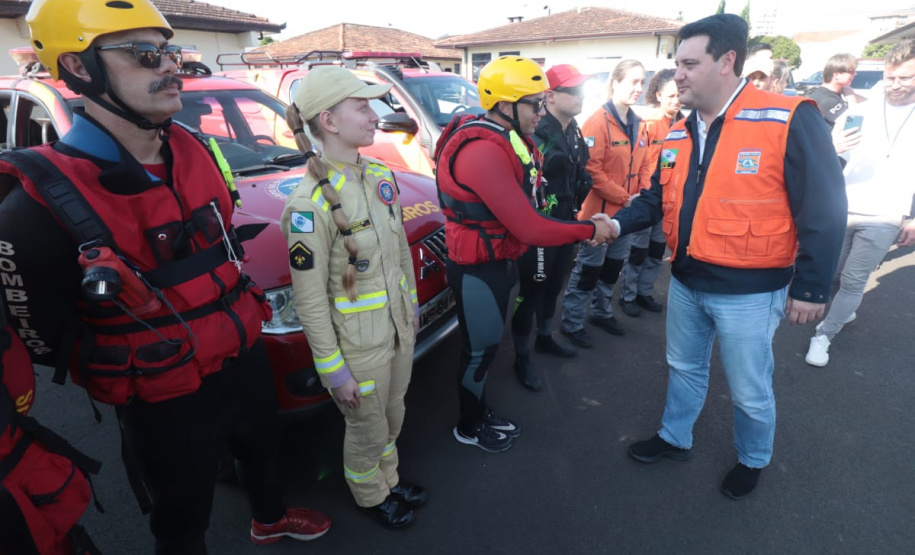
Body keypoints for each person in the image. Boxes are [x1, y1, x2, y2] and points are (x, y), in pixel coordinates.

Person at [0, 0, 330, 551]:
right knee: (181, 509)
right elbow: (41, 333)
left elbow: (223, 231)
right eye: (144, 54)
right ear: (78, 67)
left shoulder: (195, 148)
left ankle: (269, 518)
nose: (170, 66)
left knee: (262, 447)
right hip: (160, 384)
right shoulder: (37, 203)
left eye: (169, 51)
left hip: (241, 349)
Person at [612, 14, 847, 500]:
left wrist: (811, 287)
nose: (677, 75)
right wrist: (613, 225)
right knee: (684, 368)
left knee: (748, 387)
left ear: (727, 61)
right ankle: (675, 436)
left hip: (751, 291)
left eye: (689, 64)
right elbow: (656, 198)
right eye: (677, 64)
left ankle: (753, 457)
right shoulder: (679, 131)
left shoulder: (788, 117)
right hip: (686, 281)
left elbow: (824, 205)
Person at [434, 56, 614, 453]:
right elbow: (529, 227)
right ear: (505, 105)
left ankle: (479, 411)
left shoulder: (507, 136)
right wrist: (588, 229)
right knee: (479, 351)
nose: (541, 111)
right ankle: (468, 425)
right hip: (477, 268)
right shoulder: (482, 151)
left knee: (486, 348)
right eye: (534, 103)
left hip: (496, 262)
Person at [280, 66, 425, 528]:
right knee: (367, 428)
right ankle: (370, 495)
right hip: (357, 348)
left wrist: (412, 305)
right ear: (329, 121)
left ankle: (390, 479)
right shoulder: (308, 206)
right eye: (362, 107)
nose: (374, 115)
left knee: (393, 415)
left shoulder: (379, 175)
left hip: (396, 329)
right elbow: (310, 302)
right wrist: (334, 370)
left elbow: (399, 250)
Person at [805, 40, 915, 367]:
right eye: (890, 77)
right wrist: (832, 147)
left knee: (854, 279)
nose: (896, 85)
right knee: (833, 273)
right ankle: (844, 308)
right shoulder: (861, 110)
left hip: (887, 213)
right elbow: (828, 156)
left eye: (905, 78)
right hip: (845, 206)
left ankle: (824, 334)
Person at [511, 64, 593, 391]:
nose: (580, 96)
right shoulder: (536, 132)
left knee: (555, 285)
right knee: (532, 290)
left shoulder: (574, 130)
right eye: (572, 91)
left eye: (582, 90)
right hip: (540, 229)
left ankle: (545, 337)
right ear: (551, 96)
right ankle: (521, 358)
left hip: (566, 223)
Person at [560, 59, 652, 346]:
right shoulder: (598, 122)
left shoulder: (639, 124)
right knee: (588, 271)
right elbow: (591, 171)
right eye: (633, 81)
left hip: (625, 216)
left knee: (612, 269)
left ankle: (601, 312)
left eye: (642, 82)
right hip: (599, 216)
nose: (639, 88)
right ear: (616, 83)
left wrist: (643, 195)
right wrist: (626, 198)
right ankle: (572, 322)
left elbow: (646, 164)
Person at [617, 69, 681, 318]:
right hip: (647, 199)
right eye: (670, 96)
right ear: (659, 95)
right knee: (637, 252)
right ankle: (628, 295)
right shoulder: (649, 125)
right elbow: (641, 164)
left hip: (669, 202)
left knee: (656, 252)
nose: (676, 101)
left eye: (678, 95)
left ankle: (644, 291)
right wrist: (642, 195)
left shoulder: (684, 126)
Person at [807, 53, 859, 130]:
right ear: (836, 74)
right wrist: (850, 95)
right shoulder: (827, 100)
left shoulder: (832, 92)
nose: (855, 74)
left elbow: (868, 102)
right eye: (851, 72)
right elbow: (853, 123)